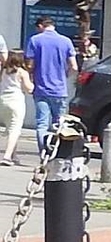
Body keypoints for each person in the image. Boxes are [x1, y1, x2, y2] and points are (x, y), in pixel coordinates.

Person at [26, 18, 74, 147]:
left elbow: (30, 65)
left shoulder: (35, 40)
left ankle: (44, 153)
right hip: (59, 89)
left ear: (41, 26)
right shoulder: (66, 41)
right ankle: (57, 153)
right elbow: (74, 66)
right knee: (60, 124)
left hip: (41, 89)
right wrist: (64, 76)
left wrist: (31, 77)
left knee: (42, 124)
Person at [0, 51, 26, 166]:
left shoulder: (3, 71)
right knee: (15, 129)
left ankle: (14, 155)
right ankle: (7, 156)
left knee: (10, 127)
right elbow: (29, 88)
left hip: (3, 101)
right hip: (16, 102)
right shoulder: (22, 72)